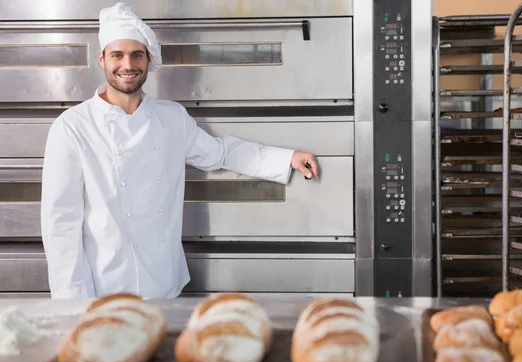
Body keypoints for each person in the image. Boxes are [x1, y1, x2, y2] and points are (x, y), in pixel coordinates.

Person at [40, 2, 319, 300]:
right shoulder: (73, 127)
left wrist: (286, 158)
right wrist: (72, 305)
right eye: (117, 55)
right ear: (102, 59)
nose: (127, 65)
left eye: (136, 54)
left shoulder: (171, 118)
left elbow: (219, 154)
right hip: (101, 291)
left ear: (148, 59)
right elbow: (61, 224)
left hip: (164, 286)